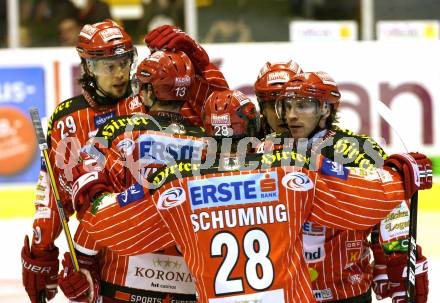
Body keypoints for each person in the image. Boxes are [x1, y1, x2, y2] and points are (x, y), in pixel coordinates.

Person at [62, 87, 431, 303]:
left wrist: (88, 187)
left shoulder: (177, 186)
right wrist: (403, 172)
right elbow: (367, 197)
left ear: (205, 135)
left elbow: (109, 226)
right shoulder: (291, 172)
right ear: (257, 131)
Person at [57, 49, 231, 303]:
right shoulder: (209, 143)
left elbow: (90, 193)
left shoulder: (117, 129)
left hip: (122, 283)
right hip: (188, 287)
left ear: (148, 91)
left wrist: (83, 259)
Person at [273, 71, 429, 303]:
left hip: (347, 289)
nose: (292, 115)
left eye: (303, 106)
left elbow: (388, 204)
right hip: (291, 291)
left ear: (326, 109)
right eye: (287, 106)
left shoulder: (355, 149)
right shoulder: (272, 149)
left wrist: (394, 262)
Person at [20, 19, 142, 303]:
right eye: (109, 66)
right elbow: (54, 194)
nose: (120, 73)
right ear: (88, 67)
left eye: (124, 62)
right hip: (100, 254)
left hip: (154, 240)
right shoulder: (68, 121)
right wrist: (42, 250)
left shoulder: (147, 100)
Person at [254, 60, 303, 137]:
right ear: (262, 109)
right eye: (273, 106)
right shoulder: (250, 133)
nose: (282, 115)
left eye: (288, 106)